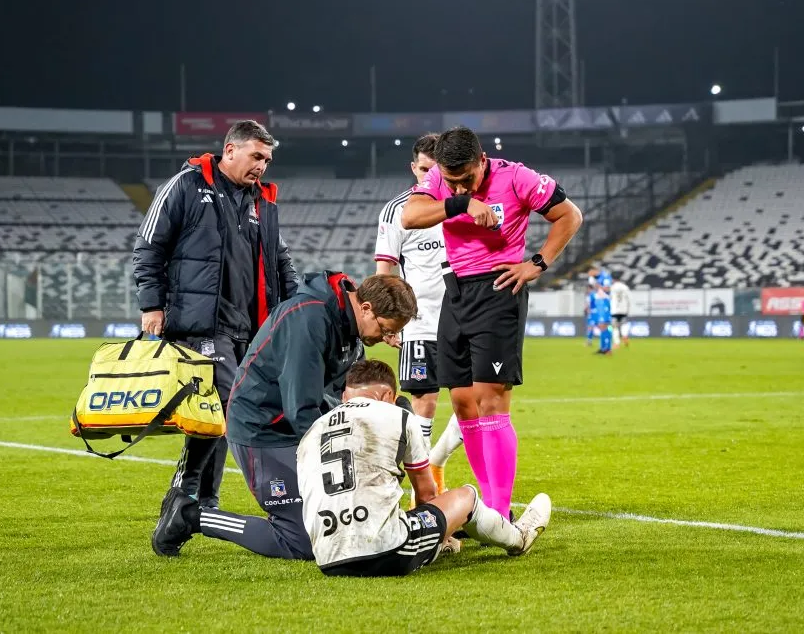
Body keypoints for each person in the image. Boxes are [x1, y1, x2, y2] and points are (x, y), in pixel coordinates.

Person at [152, 273, 418, 560]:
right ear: (365, 308)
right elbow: (301, 409)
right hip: (264, 430)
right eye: (386, 329)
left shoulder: (349, 327)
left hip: (296, 425)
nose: (386, 339)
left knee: (345, 522)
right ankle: (190, 515)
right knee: (302, 541)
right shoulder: (309, 319)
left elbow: (352, 397)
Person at [401, 126, 582, 518]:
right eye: (453, 181)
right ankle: (487, 508)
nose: (460, 184)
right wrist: (459, 203)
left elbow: (569, 215)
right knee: (463, 401)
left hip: (499, 289)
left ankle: (499, 512)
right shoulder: (441, 181)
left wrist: (536, 264)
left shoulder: (517, 176)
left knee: (490, 400)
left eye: (468, 177)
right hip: (457, 291)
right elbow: (410, 216)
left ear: (482, 161)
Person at [134, 120, 299, 515]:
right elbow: (148, 247)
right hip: (200, 324)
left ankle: (197, 499)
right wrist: (151, 306)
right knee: (232, 404)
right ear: (230, 150)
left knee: (215, 413)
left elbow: (281, 261)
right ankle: (215, 492)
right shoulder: (186, 185)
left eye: (268, 159)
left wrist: (294, 309)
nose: (262, 165)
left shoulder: (263, 202)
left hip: (250, 325)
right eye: (256, 156)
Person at [297, 359, 552, 577]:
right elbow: (427, 496)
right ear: (389, 396)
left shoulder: (312, 430)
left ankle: (437, 543)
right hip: (384, 552)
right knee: (467, 497)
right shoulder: (398, 416)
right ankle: (519, 538)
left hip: (327, 557)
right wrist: (440, 531)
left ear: (344, 396)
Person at [374, 132, 463, 493]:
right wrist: (385, 321)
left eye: (437, 169)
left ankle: (437, 461)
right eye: (424, 169)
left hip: (465, 318)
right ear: (414, 168)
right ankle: (423, 495)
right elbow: (385, 271)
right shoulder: (397, 211)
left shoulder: (462, 203)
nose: (430, 178)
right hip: (421, 321)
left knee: (475, 400)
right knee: (424, 402)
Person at [610, 276, 631, 348]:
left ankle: (616, 343)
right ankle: (625, 335)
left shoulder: (612, 287)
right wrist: (628, 308)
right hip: (623, 309)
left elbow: (610, 297)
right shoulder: (625, 287)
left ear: (613, 279)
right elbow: (629, 298)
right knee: (624, 324)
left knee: (614, 326)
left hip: (614, 309)